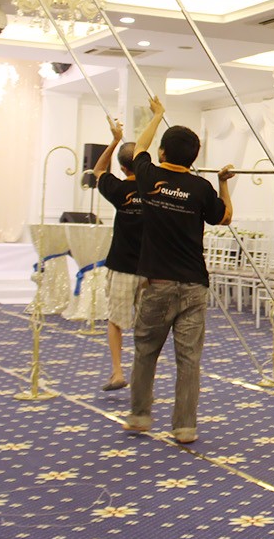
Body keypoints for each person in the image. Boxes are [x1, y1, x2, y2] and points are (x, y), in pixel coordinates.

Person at [123, 98, 234, 444]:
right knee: (189, 360)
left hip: (157, 283)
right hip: (194, 285)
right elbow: (225, 217)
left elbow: (138, 148)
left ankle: (140, 416)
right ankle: (185, 427)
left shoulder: (149, 176)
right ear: (193, 158)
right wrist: (223, 182)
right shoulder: (201, 188)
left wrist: (157, 115)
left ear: (162, 152)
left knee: (146, 352)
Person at [93, 115, 143, 391]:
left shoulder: (119, 189)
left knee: (115, 320)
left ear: (123, 168)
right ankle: (144, 375)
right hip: (151, 267)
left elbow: (98, 170)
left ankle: (117, 371)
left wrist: (114, 141)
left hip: (122, 264)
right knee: (147, 326)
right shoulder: (156, 189)